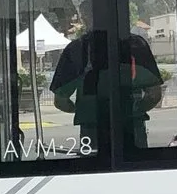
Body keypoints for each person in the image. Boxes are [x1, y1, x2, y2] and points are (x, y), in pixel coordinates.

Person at [48, 19, 165, 151]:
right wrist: (133, 110)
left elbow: (61, 101)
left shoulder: (77, 49)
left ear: (86, 18)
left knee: (95, 165)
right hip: (132, 126)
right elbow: (154, 94)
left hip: (92, 128)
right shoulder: (137, 45)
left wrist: (86, 109)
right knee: (134, 164)